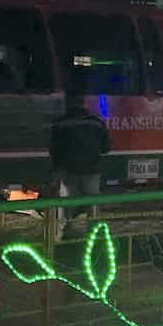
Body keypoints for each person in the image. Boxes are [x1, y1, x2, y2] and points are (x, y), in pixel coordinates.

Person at [47, 91, 110, 236]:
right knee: (92, 204)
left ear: (68, 104)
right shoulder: (96, 123)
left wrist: (57, 168)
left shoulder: (60, 123)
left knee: (66, 204)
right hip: (91, 170)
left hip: (69, 171)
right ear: (84, 103)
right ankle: (93, 234)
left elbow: (53, 148)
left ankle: (62, 233)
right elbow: (106, 148)